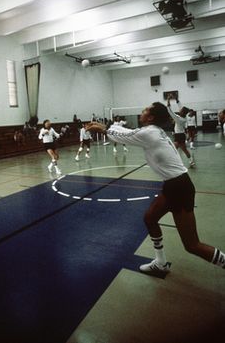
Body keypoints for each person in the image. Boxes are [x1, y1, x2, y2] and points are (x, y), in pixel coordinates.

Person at [87, 102, 225, 273]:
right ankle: (160, 263)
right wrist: (107, 127)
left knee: (192, 245)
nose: (142, 111)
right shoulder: (153, 130)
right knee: (150, 218)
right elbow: (129, 132)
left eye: (145, 110)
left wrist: (104, 129)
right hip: (174, 185)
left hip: (179, 187)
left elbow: (124, 136)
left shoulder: (149, 133)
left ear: (151, 117)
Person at [167, 95, 195, 167]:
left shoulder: (178, 119)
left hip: (179, 135)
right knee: (183, 149)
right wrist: (176, 99)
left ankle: (172, 163)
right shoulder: (184, 116)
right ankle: (191, 161)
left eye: (181, 110)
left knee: (174, 149)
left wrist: (168, 100)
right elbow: (180, 106)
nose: (179, 110)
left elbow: (169, 110)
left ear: (182, 112)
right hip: (181, 135)